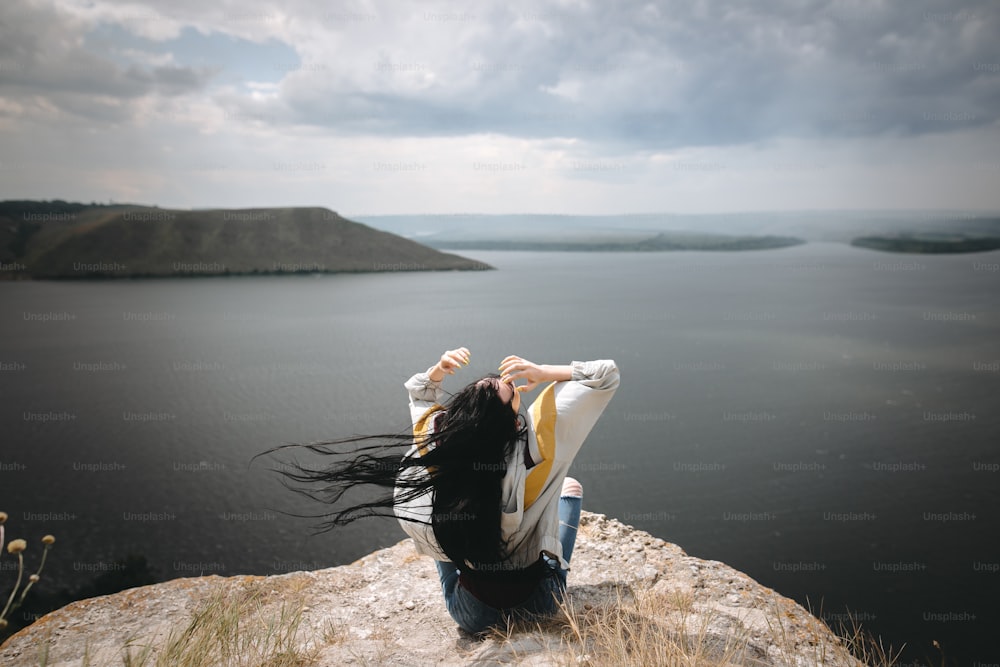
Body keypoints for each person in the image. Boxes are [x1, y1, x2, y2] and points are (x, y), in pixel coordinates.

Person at [262, 347, 619, 635]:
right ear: (513, 423)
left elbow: (419, 390)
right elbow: (605, 373)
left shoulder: (438, 445)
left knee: (449, 507)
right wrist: (543, 372)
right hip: (540, 603)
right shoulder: (540, 446)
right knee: (568, 488)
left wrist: (438, 370)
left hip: (473, 616)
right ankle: (559, 571)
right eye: (507, 390)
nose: (498, 380)